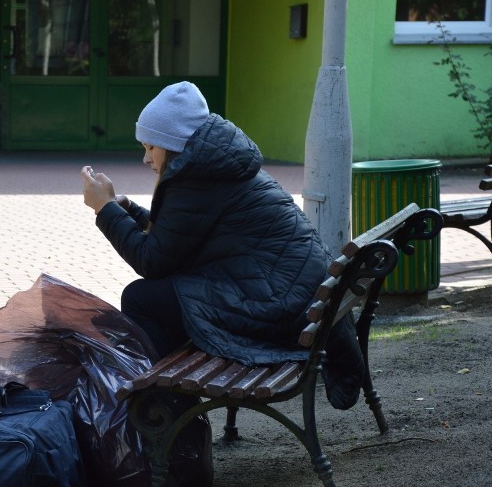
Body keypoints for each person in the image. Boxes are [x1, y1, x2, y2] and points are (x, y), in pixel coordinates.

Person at [81, 81, 364, 410]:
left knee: (141, 297)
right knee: (158, 297)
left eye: (151, 147)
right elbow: (181, 236)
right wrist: (124, 208)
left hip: (278, 303)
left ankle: (164, 408)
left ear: (174, 143)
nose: (146, 158)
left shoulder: (196, 178)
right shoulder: (214, 162)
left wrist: (104, 210)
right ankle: (165, 403)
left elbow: (152, 261)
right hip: (293, 293)